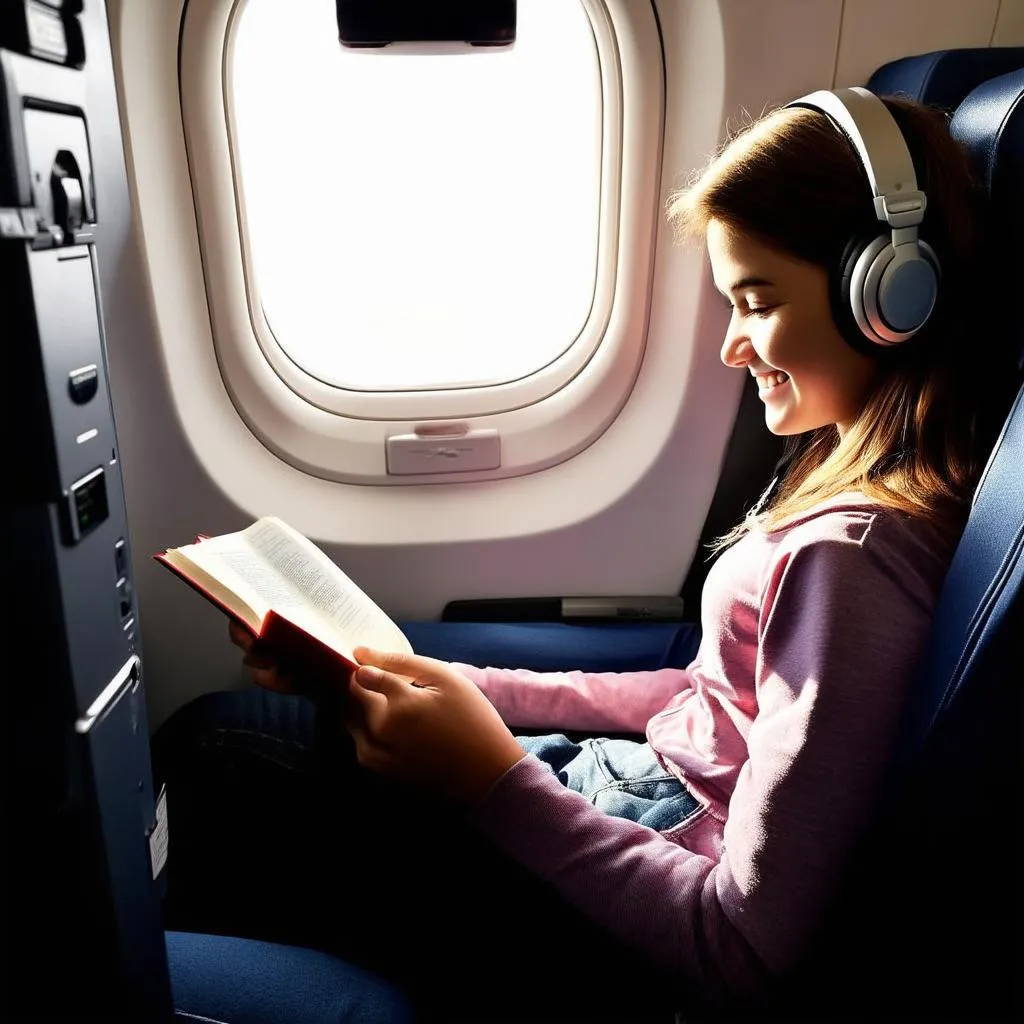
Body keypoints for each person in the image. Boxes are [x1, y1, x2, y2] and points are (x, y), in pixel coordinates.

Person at [154, 89, 1011, 1024]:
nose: (730, 345)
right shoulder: (846, 476)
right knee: (239, 731)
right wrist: (465, 689)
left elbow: (740, 950)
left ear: (890, 295)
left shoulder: (854, 560)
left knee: (227, 752)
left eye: (756, 302)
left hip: (633, 899)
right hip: (618, 796)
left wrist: (494, 779)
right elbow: (708, 701)